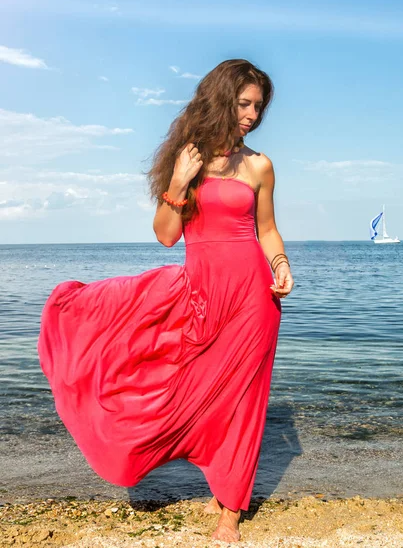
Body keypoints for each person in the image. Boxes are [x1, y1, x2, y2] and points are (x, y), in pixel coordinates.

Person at [38, 59, 294, 542]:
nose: (253, 115)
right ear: (221, 99)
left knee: (243, 402)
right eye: (244, 103)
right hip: (200, 294)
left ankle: (230, 511)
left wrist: (281, 266)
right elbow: (166, 236)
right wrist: (178, 183)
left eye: (259, 106)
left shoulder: (260, 166)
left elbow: (267, 230)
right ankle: (143, 449)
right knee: (174, 388)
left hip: (255, 299)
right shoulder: (188, 158)